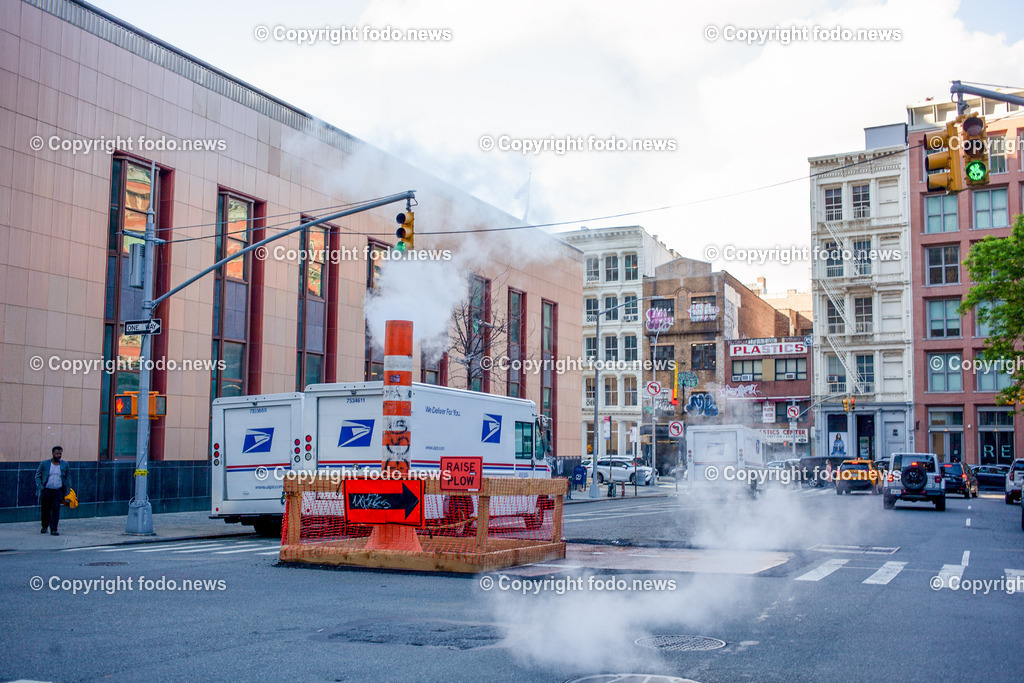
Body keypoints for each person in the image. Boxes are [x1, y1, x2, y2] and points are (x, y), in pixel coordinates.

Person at [35, 446, 73, 536]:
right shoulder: (45, 464)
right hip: (47, 490)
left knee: (56, 510)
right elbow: (37, 476)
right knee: (45, 510)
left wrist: (68, 490)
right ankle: (44, 526)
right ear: (52, 453)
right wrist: (41, 487)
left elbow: (68, 478)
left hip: (58, 491)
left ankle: (54, 529)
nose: (58, 455)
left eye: (60, 453)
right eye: (56, 453)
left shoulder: (64, 464)